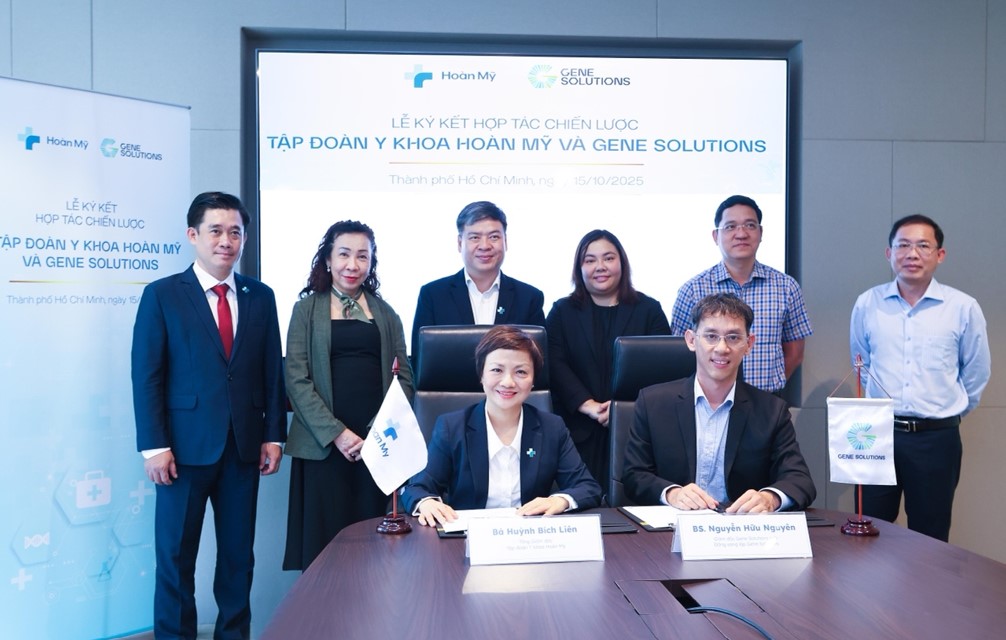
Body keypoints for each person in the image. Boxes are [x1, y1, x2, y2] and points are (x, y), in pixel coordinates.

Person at [131, 191, 286, 640]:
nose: (226, 240)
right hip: (181, 451)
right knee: (175, 559)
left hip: (243, 449)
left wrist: (274, 434)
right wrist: (154, 446)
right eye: (216, 230)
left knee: (238, 559)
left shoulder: (260, 296)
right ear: (193, 235)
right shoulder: (162, 295)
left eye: (235, 232)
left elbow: (271, 371)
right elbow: (147, 375)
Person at [850, 214, 990, 542]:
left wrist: (945, 412)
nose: (912, 254)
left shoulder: (963, 307)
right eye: (903, 245)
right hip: (877, 435)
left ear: (940, 254)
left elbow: (976, 371)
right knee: (867, 528)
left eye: (923, 246)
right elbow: (862, 363)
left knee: (931, 535)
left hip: (936, 439)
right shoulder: (868, 303)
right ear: (889, 253)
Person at [283, 221, 414, 570]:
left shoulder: (386, 314)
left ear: (371, 263)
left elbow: (405, 378)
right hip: (324, 447)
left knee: (377, 553)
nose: (352, 265)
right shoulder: (306, 311)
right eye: (344, 254)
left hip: (376, 448)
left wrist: (376, 433)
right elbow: (296, 379)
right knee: (323, 554)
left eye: (362, 256)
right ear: (328, 259)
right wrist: (338, 434)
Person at [624, 293, 816, 512]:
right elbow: (633, 475)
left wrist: (769, 498)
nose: (722, 348)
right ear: (691, 340)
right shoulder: (653, 403)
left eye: (733, 337)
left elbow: (800, 480)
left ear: (749, 344)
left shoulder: (771, 410)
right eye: (711, 336)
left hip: (740, 526)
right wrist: (672, 493)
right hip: (673, 525)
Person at [402, 326, 602, 526]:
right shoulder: (452, 427)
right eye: (497, 370)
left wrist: (559, 500)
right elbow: (417, 488)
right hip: (468, 537)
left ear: (533, 380)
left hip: (530, 536)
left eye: (521, 372)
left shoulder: (552, 428)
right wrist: (426, 502)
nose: (508, 382)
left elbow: (587, 487)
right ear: (481, 375)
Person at [546, 229, 670, 491]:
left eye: (608, 258)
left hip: (635, 429)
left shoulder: (649, 310)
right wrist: (588, 405)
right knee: (579, 499)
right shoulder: (562, 311)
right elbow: (553, 364)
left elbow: (661, 370)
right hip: (576, 429)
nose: (600, 266)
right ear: (579, 268)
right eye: (590, 260)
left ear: (621, 263)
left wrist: (622, 408)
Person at [670, 195, 812, 393]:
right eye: (730, 226)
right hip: (708, 402)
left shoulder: (786, 287)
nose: (741, 234)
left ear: (761, 233)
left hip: (768, 401)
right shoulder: (692, 290)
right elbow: (679, 355)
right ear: (715, 236)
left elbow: (795, 353)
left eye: (750, 225)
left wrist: (762, 396)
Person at [411, 201, 546, 353]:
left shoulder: (529, 298)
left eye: (494, 237)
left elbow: (538, 359)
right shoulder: (433, 295)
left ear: (505, 241)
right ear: (460, 243)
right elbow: (420, 359)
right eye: (475, 237)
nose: (485, 246)